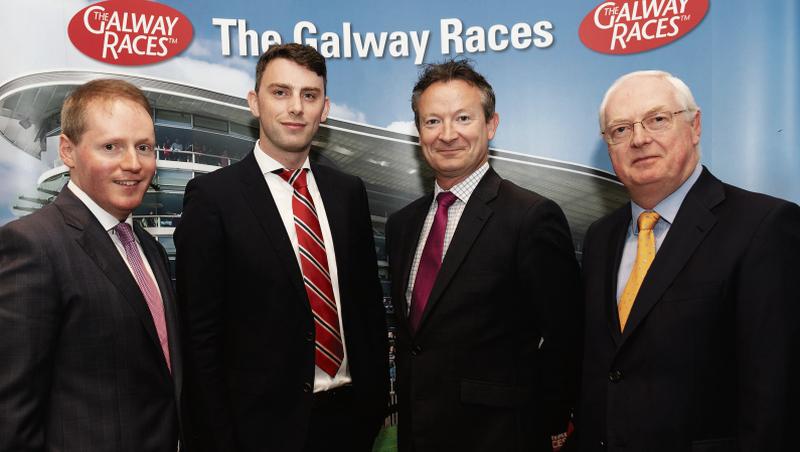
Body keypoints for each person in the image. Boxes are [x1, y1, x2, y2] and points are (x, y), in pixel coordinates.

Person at [175, 43, 388, 452]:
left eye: (309, 95)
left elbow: (367, 305)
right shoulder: (212, 197)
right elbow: (201, 338)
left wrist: (374, 401)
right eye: (280, 92)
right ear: (254, 102)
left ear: (324, 109)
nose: (296, 107)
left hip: (350, 422)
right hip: (259, 431)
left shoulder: (348, 193)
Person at [578, 70, 800, 451]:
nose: (640, 139)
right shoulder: (600, 236)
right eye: (620, 130)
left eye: (657, 120)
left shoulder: (764, 226)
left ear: (694, 126)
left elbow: (775, 394)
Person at [385, 59, 582, 451]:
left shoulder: (531, 216)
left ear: (491, 125)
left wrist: (549, 422)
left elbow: (568, 336)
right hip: (416, 435)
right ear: (418, 132)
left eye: (462, 118)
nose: (447, 134)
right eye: (432, 121)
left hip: (499, 436)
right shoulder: (402, 224)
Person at [0, 79, 182, 451]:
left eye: (144, 147)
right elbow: (11, 414)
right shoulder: (32, 246)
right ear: (67, 151)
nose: (133, 163)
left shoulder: (149, 249)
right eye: (111, 146)